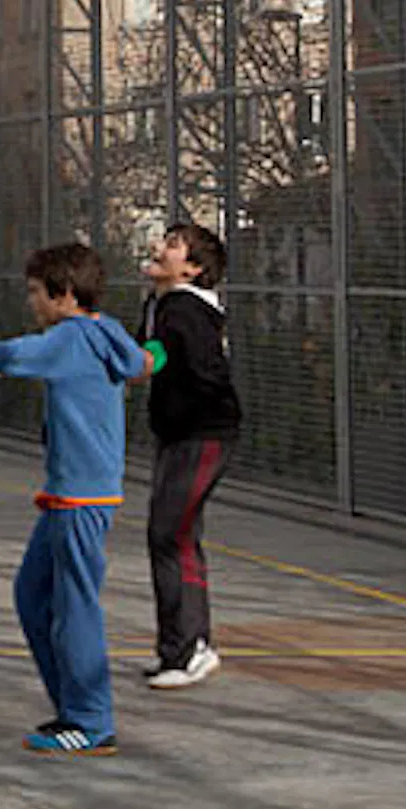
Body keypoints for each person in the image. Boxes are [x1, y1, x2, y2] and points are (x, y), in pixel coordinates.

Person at [0, 241, 155, 754]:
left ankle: (91, 719)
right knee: (33, 595)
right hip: (70, 494)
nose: (31, 302)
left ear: (65, 294)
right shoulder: (105, 332)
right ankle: (72, 710)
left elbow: (17, 354)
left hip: (81, 497)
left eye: (35, 292)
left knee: (75, 607)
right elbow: (142, 360)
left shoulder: (71, 336)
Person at [138, 220, 242, 692]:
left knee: (170, 532)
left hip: (203, 433)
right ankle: (187, 644)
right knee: (177, 535)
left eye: (174, 246)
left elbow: (164, 354)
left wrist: (136, 364)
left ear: (194, 269)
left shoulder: (183, 310)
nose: (160, 248)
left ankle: (188, 648)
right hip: (182, 432)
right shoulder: (164, 304)